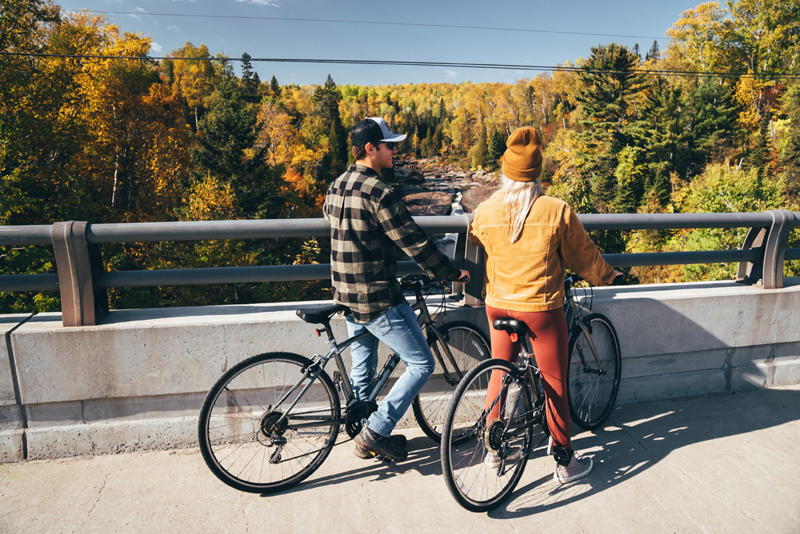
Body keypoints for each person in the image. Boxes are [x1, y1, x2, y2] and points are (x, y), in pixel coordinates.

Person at [469, 126, 622, 484]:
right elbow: (583, 256)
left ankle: (493, 450)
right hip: (539, 308)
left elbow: (478, 239)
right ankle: (565, 462)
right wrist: (606, 276)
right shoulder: (555, 209)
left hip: (498, 305)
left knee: (499, 371)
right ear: (537, 174)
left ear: (505, 172)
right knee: (554, 380)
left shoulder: (486, 210)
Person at [323, 117, 470, 462]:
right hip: (375, 297)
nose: (395, 151)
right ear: (371, 148)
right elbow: (414, 243)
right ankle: (374, 433)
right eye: (390, 145)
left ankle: (362, 424)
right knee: (421, 363)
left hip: (344, 293)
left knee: (363, 364)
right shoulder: (380, 192)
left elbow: (335, 220)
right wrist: (451, 272)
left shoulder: (336, 185)